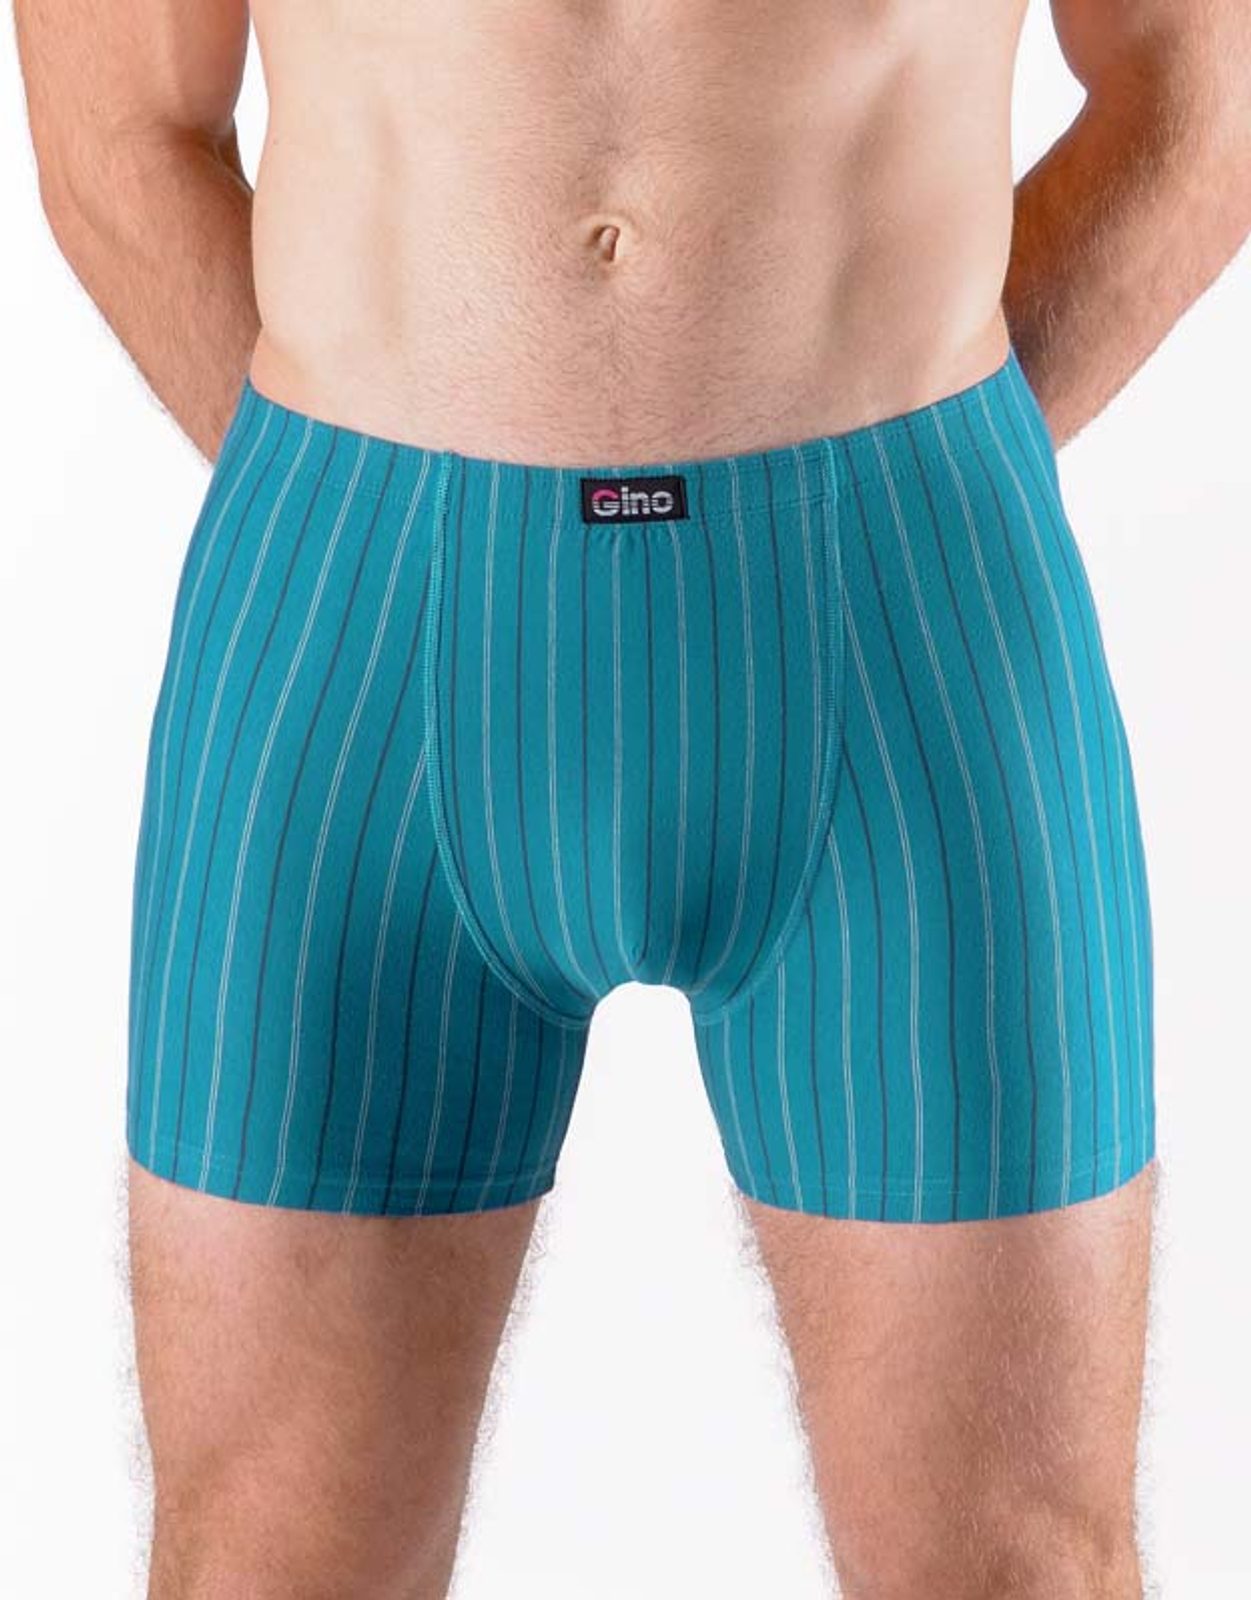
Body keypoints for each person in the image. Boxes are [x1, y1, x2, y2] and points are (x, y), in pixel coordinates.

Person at [15, 1, 1249, 1595]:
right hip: (358, 639)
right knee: (264, 1567)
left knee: (1022, 1570)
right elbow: (115, 131)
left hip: (903, 613)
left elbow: (1203, 98)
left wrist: (920, 487)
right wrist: (378, 529)